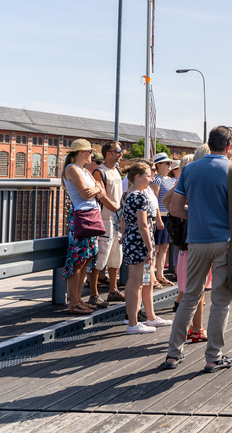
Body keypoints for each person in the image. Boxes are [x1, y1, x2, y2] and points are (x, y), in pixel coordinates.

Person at [163, 126, 232, 372]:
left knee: (190, 296)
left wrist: (199, 215)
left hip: (196, 241)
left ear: (209, 144)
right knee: (221, 301)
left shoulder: (189, 169)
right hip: (224, 240)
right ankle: (213, 356)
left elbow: (176, 209)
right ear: (230, 146)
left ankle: (173, 354)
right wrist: (225, 216)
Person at [121, 160, 172, 334]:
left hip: (132, 239)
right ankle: (133, 324)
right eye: (147, 176)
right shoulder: (139, 196)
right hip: (139, 242)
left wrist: (123, 236)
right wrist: (150, 248)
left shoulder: (128, 194)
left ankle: (147, 318)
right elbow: (143, 224)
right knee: (137, 282)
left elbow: (124, 220)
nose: (150, 179)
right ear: (138, 176)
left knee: (143, 280)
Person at [165, 152, 208, 343]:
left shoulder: (181, 183)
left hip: (185, 241)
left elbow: (167, 202)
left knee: (190, 289)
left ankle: (192, 328)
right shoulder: (195, 182)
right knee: (197, 289)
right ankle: (196, 329)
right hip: (197, 239)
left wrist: (181, 212)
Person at [61, 139, 104, 315]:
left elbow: (98, 190)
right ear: (80, 152)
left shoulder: (85, 170)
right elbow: (87, 193)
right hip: (81, 217)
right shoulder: (71, 169)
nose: (92, 155)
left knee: (86, 259)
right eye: (89, 152)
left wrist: (96, 188)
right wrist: (97, 188)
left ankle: (79, 300)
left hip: (90, 216)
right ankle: (73, 302)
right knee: (77, 260)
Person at [87, 142, 124, 305]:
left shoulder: (116, 170)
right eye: (118, 151)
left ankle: (113, 290)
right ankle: (94, 294)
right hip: (105, 219)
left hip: (116, 219)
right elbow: (101, 195)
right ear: (108, 154)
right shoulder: (99, 172)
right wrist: (116, 207)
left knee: (116, 256)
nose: (121, 154)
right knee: (100, 257)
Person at [151, 153, 176, 287]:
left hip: (168, 217)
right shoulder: (157, 180)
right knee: (156, 248)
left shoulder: (170, 180)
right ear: (158, 165)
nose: (170, 166)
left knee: (165, 247)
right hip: (160, 216)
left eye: (170, 163)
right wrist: (158, 219)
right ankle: (153, 277)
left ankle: (160, 275)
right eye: (167, 163)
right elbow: (154, 200)